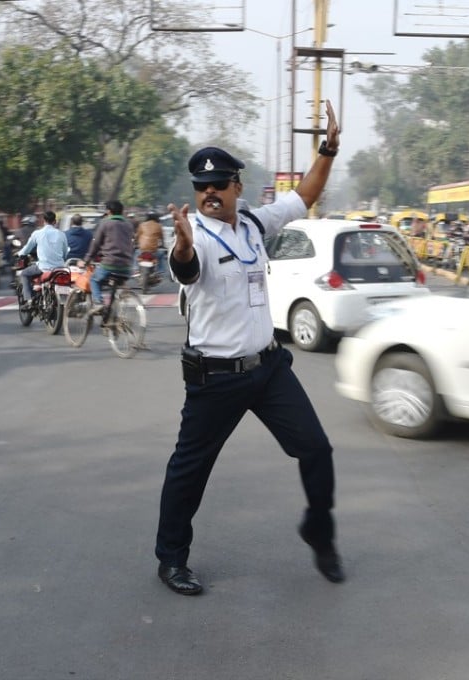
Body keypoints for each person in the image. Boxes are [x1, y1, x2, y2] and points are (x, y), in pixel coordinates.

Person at [154, 100, 344, 596]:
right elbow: (185, 269)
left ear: (238, 187)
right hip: (216, 377)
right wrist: (181, 247)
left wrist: (327, 150)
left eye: (219, 185)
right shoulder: (191, 233)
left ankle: (319, 530)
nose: (209, 193)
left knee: (317, 449)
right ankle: (171, 559)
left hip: (268, 370)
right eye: (201, 187)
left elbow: (305, 196)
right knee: (189, 472)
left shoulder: (255, 225)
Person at [83, 200, 135, 313]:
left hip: (109, 264)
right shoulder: (128, 224)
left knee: (94, 279)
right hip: (126, 267)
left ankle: (98, 303)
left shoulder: (105, 223)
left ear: (109, 211)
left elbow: (96, 244)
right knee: (114, 287)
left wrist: (87, 260)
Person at [16, 211, 68, 308]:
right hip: (60, 268)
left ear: (43, 221)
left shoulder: (37, 233)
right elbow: (65, 252)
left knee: (25, 274)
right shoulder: (62, 234)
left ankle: (29, 300)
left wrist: (20, 254)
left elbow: (27, 248)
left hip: (43, 267)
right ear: (55, 221)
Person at [134, 211, 166, 276]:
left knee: (136, 253)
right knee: (161, 254)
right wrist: (163, 245)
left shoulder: (142, 224)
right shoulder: (158, 226)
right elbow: (161, 238)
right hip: (153, 250)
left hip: (142, 249)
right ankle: (160, 270)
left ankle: (136, 269)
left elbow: (137, 236)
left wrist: (135, 243)